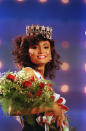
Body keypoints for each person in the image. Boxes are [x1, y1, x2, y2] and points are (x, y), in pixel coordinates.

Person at [12, 25, 69, 131]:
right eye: (34, 47)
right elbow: (14, 109)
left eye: (45, 47)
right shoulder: (28, 73)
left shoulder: (41, 78)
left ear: (51, 53)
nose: (41, 51)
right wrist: (51, 107)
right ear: (26, 52)